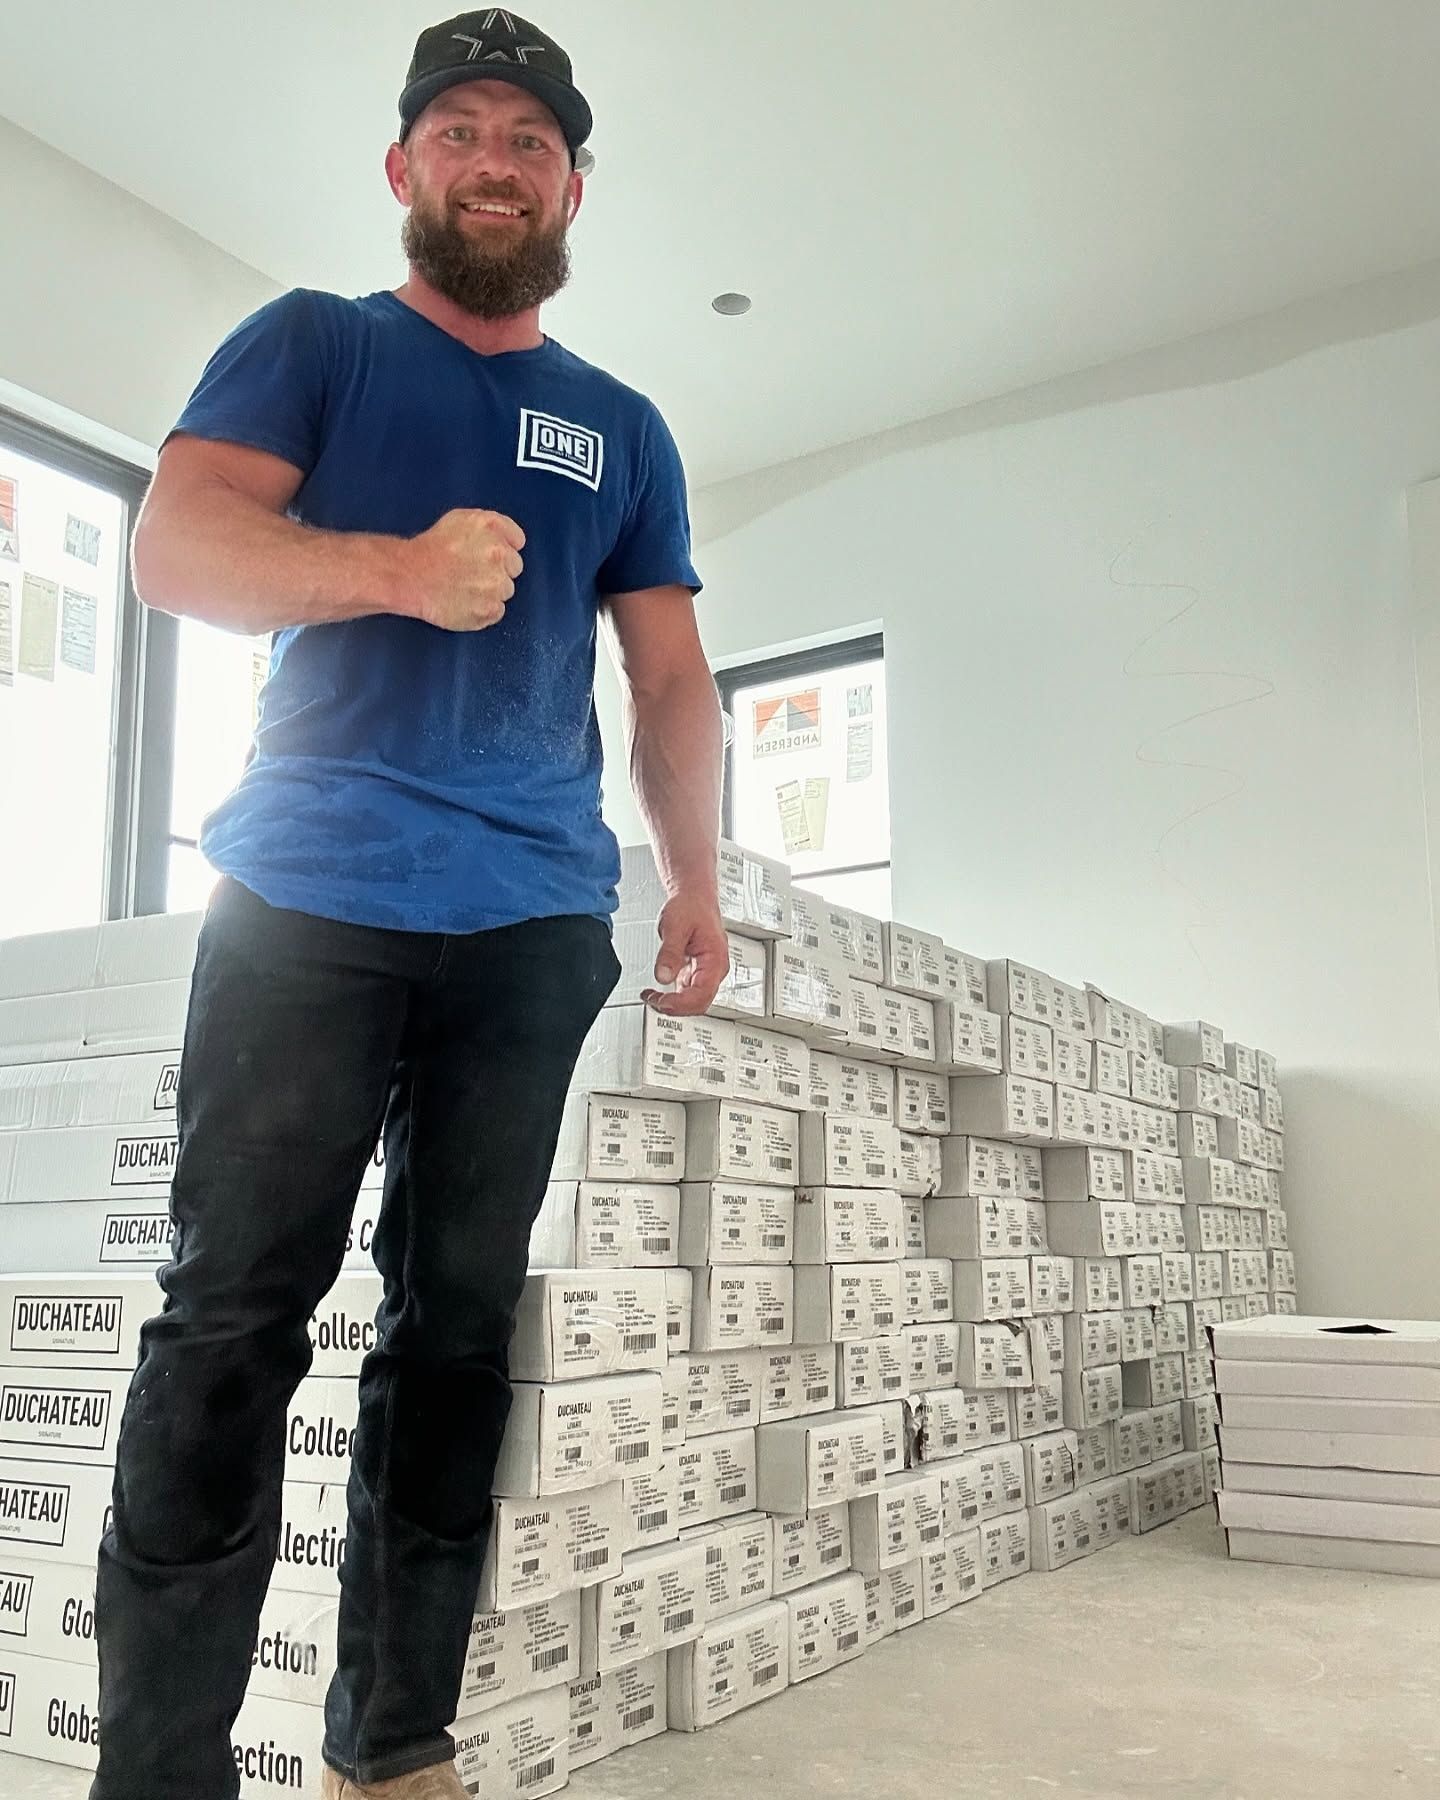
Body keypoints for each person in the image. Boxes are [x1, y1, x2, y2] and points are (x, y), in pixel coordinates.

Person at [90, 12, 727, 1798]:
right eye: (461, 130)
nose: (496, 160)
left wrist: (693, 872)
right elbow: (175, 549)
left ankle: (394, 1744)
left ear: (573, 185)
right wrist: (391, 570)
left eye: (530, 138)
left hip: (532, 920)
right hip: (306, 887)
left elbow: (669, 679)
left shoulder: (623, 427)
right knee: (231, 1320)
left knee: (453, 1333)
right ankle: (157, 1771)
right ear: (405, 172)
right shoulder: (313, 344)